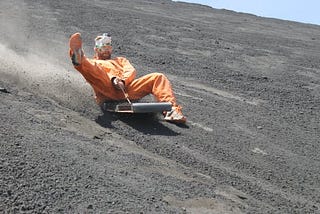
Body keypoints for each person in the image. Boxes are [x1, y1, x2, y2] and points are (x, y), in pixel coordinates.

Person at [68, 32, 186, 123]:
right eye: (102, 48)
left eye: (108, 47)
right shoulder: (94, 62)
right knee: (92, 68)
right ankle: (78, 56)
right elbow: (92, 70)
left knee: (158, 77)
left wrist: (123, 81)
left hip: (127, 90)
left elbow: (130, 70)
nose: (106, 50)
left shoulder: (120, 60)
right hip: (106, 91)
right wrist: (113, 80)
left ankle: (172, 111)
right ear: (96, 49)